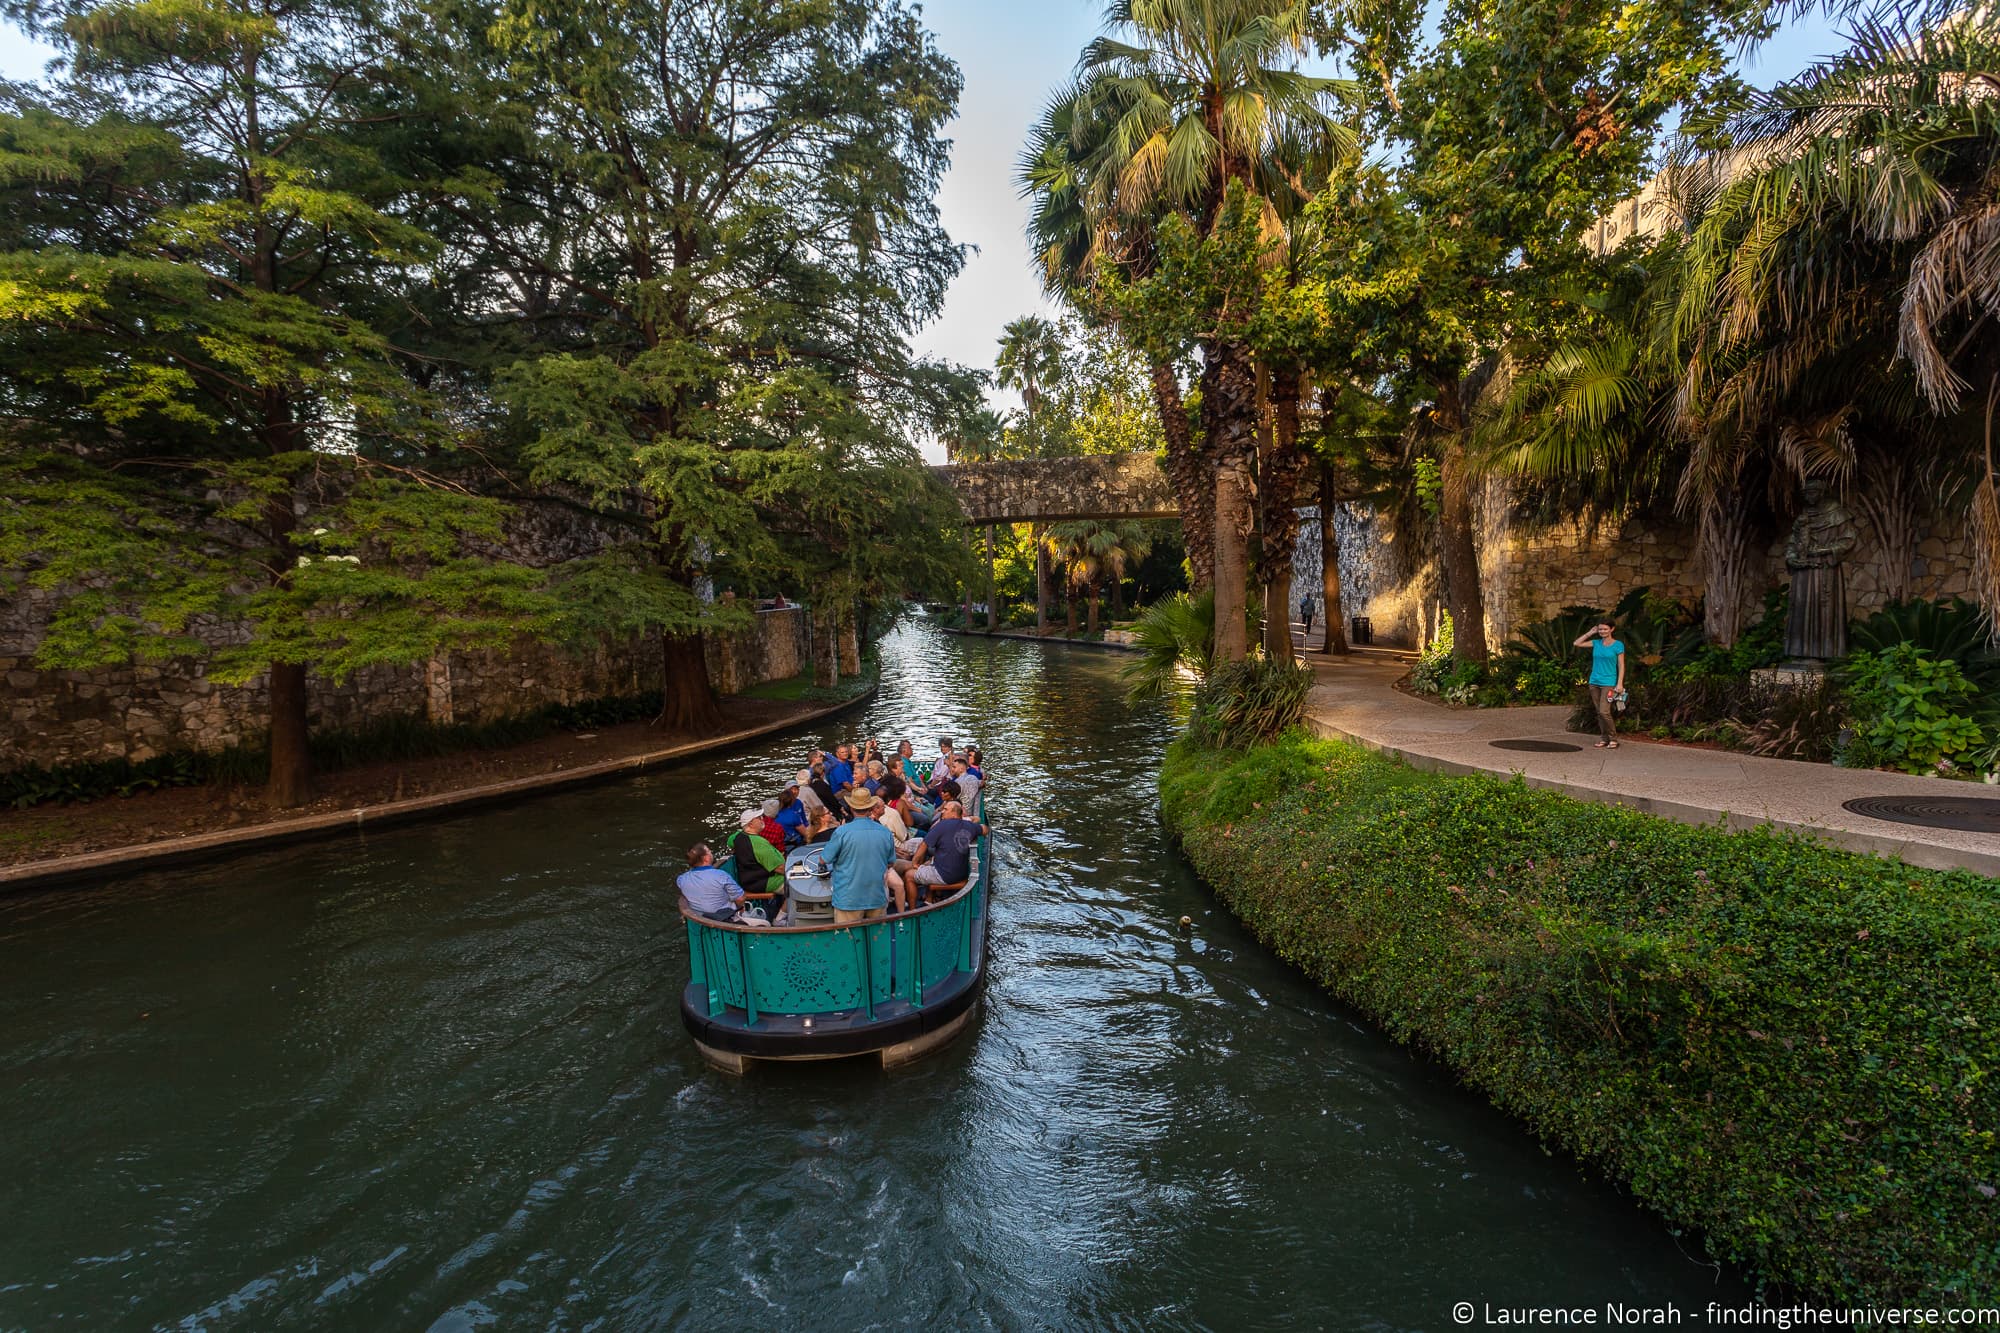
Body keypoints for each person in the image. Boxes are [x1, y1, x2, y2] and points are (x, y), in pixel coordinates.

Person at [823, 790, 902, 921]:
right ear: (870, 808)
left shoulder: (841, 832)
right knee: (877, 938)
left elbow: (825, 859)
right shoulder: (884, 832)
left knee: (848, 939)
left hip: (848, 899)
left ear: (852, 808)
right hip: (876, 896)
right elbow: (891, 862)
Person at [901, 799, 986, 902]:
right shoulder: (969, 825)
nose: (942, 811)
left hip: (944, 874)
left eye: (946, 809)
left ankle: (912, 911)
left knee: (909, 875)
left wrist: (914, 862)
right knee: (930, 862)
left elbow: (924, 844)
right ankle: (929, 898)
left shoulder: (942, 825)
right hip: (960, 872)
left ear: (954, 813)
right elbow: (985, 829)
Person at [676, 842, 769, 926]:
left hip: (700, 921)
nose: (711, 853)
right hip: (725, 920)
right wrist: (740, 908)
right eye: (709, 851)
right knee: (766, 924)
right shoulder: (720, 875)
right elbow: (740, 898)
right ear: (706, 858)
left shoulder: (681, 879)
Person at [1572, 619, 1627, 749]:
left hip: (1609, 682)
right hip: (1594, 682)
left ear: (1612, 629)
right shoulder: (1596, 643)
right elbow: (1576, 643)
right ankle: (1604, 738)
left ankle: (1613, 739)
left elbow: (1621, 665)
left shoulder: (1618, 645)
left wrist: (1619, 683)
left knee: (1604, 711)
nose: (1602, 631)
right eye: (1600, 629)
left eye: (1605, 629)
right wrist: (1590, 632)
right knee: (1599, 712)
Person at [723, 810, 787, 919]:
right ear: (751, 824)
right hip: (764, 881)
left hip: (747, 879)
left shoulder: (737, 836)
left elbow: (729, 841)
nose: (762, 819)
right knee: (795, 887)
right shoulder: (759, 843)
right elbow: (780, 868)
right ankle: (780, 918)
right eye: (759, 818)